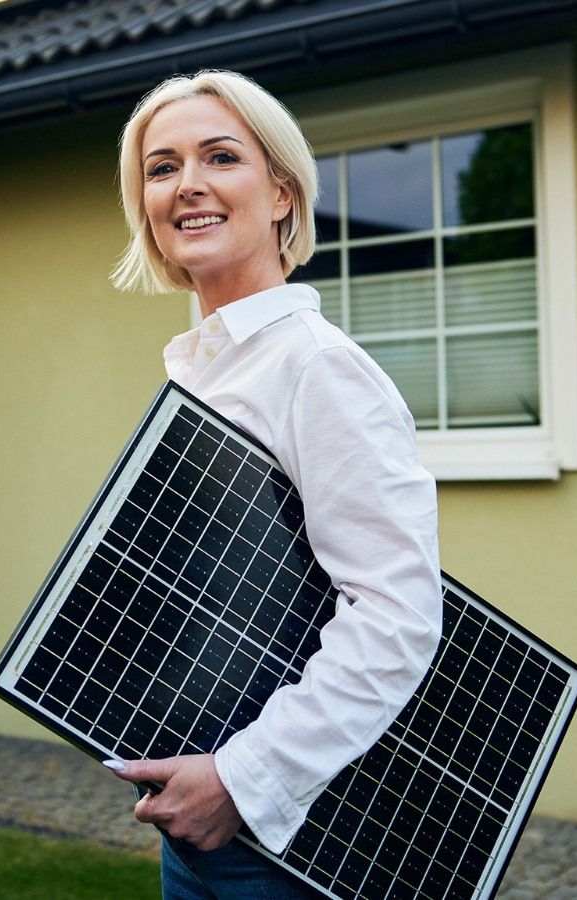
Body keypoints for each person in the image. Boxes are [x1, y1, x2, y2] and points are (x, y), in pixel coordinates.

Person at [103, 69, 444, 900]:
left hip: (280, 841)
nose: (188, 186)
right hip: (195, 816)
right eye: (161, 167)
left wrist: (243, 779)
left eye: (221, 157)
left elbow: (396, 618)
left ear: (283, 195)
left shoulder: (317, 368)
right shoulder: (207, 370)